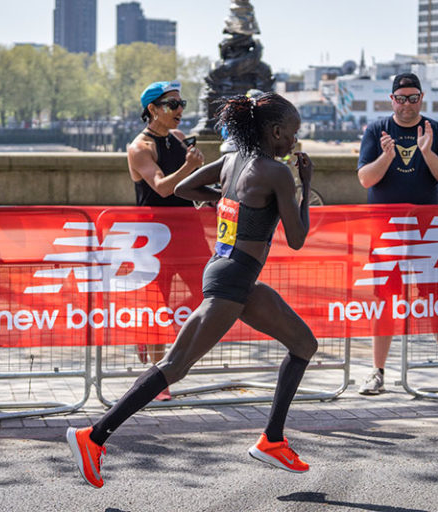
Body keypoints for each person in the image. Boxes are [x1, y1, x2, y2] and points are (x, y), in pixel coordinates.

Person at [67, 92, 317, 487]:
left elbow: (183, 188)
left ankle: (272, 440)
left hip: (234, 275)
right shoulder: (277, 172)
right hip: (231, 282)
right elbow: (299, 237)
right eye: (292, 134)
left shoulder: (233, 160)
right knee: (175, 366)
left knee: (304, 345)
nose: (295, 142)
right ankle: (93, 436)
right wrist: (305, 183)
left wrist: (222, 200)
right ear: (274, 132)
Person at [355, 73, 438, 397]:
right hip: (386, 231)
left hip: (427, 231)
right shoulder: (377, 130)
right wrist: (387, 157)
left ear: (422, 99)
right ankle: (377, 372)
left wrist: (427, 151)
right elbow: (365, 178)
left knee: (437, 300)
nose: (407, 104)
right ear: (392, 100)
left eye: (413, 97)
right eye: (401, 98)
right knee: (385, 302)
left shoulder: (436, 131)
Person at [126, 80, 208, 400]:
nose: (180, 110)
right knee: (156, 301)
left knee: (207, 293)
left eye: (182, 103)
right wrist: (189, 166)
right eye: (172, 105)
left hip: (187, 229)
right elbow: (161, 187)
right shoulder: (139, 147)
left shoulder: (177, 138)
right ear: (153, 110)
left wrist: (208, 191)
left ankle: (163, 325)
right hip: (156, 234)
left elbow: (188, 184)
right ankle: (158, 383)